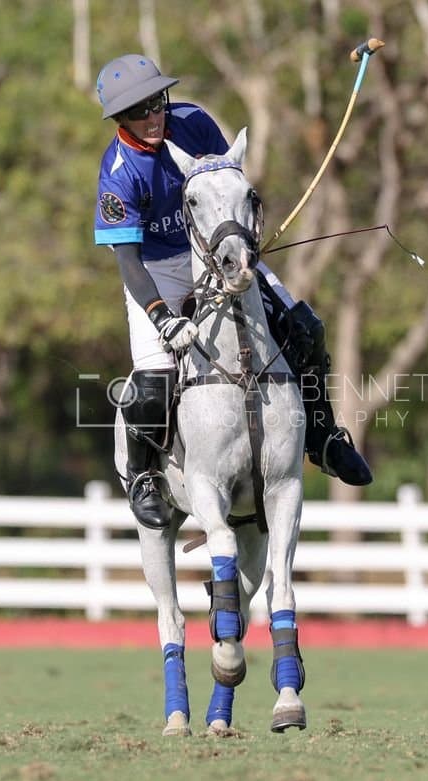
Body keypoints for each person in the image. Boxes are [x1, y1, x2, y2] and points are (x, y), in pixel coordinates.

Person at [93, 54, 372, 529]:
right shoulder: (119, 172)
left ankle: (323, 437)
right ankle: (143, 477)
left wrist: (244, 238)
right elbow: (128, 261)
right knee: (154, 377)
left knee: (305, 328)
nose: (154, 116)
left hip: (216, 252)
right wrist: (163, 316)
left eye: (158, 102)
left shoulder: (194, 122)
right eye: (139, 111)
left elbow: (232, 189)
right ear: (121, 118)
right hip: (156, 269)